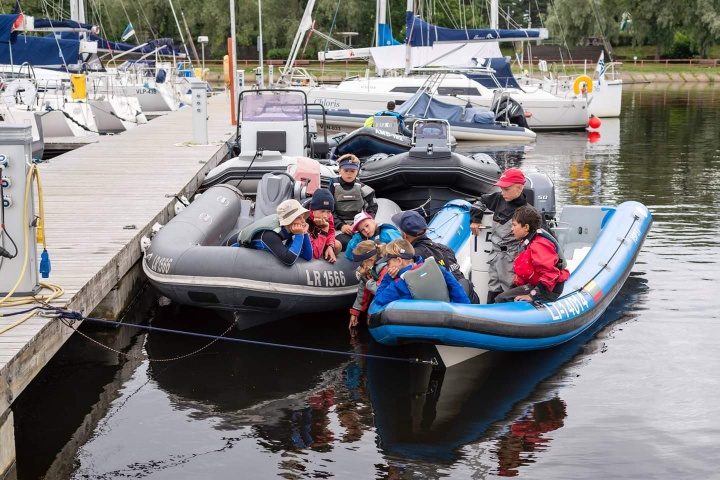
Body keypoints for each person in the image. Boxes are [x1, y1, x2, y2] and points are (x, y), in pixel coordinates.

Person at [391, 210, 480, 304]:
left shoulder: (413, 257)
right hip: (467, 303)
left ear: (404, 235)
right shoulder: (446, 249)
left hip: (442, 309)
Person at [470, 167, 528, 304]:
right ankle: (490, 311)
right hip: (495, 255)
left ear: (520, 188)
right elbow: (480, 201)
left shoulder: (527, 212)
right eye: (501, 189)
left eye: (506, 189)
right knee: (493, 285)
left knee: (510, 287)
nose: (502, 193)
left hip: (512, 258)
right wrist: (476, 219)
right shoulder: (497, 198)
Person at [495, 205, 570, 303]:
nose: (512, 229)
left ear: (526, 227)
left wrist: (532, 295)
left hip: (548, 290)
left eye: (514, 225)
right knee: (504, 296)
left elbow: (550, 273)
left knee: (501, 299)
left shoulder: (539, 244)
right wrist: (514, 288)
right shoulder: (528, 242)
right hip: (535, 285)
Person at [371, 239, 471, 310]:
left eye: (388, 263)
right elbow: (457, 289)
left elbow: (379, 299)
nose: (387, 267)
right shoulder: (438, 269)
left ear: (399, 260)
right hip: (448, 318)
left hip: (420, 326)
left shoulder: (399, 283)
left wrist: (388, 278)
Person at [237, 199, 313, 266]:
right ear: (289, 220)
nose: (303, 221)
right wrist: (299, 235)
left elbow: (307, 256)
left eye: (303, 217)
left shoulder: (289, 231)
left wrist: (304, 233)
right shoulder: (270, 235)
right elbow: (289, 260)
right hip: (234, 248)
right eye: (298, 217)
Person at [328, 154, 378, 249]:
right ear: (339, 170)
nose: (349, 173)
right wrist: (341, 225)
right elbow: (328, 211)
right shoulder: (333, 187)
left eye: (352, 171)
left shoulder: (362, 187)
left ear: (357, 172)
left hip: (360, 227)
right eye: (346, 170)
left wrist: (367, 221)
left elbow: (373, 206)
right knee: (341, 244)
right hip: (340, 228)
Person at [348, 241, 388, 329]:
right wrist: (355, 312)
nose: (359, 269)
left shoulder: (385, 268)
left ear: (370, 260)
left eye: (361, 265)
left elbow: (380, 291)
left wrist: (368, 282)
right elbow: (362, 291)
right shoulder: (370, 269)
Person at [306, 188, 342, 263]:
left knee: (337, 245)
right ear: (313, 209)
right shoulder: (305, 217)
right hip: (310, 242)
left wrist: (330, 246)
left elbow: (331, 232)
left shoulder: (329, 216)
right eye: (322, 211)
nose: (325, 216)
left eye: (328, 211)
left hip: (320, 239)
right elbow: (314, 253)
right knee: (314, 253)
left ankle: (325, 254)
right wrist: (324, 229)